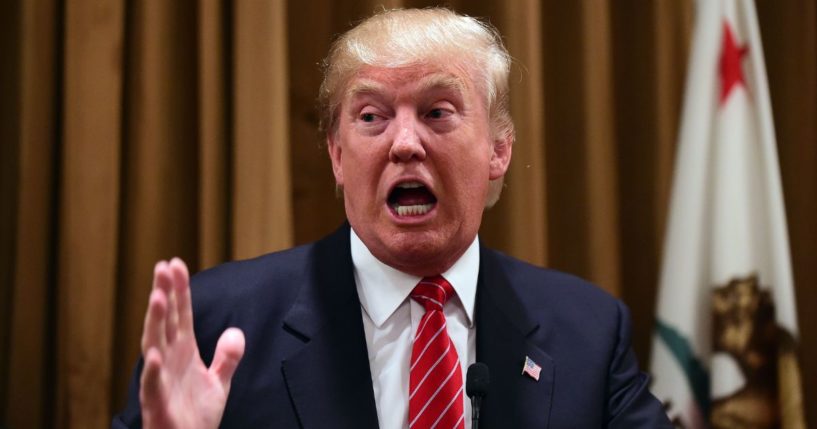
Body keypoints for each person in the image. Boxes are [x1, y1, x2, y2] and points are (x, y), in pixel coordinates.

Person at [113, 8, 672, 429]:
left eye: (437, 112)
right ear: (336, 154)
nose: (405, 143)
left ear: (499, 149)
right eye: (372, 116)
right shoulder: (221, 324)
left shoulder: (589, 334)